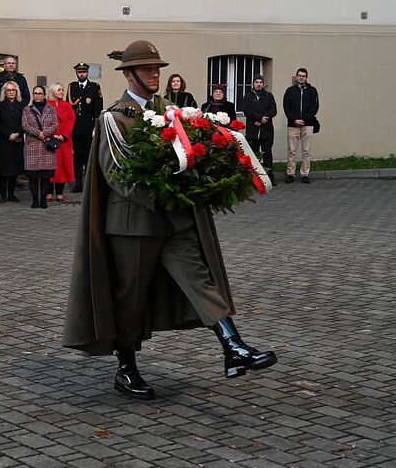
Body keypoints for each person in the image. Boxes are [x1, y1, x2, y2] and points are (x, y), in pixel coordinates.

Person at [63, 40, 276, 400]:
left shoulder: (176, 113)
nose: (154, 75)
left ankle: (234, 348)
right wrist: (163, 190)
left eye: (157, 69)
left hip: (175, 220)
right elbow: (116, 174)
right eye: (147, 69)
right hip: (133, 224)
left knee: (200, 279)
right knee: (131, 298)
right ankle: (126, 370)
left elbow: (193, 155)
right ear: (129, 74)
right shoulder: (114, 119)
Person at [67, 62, 102, 193]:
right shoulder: (72, 87)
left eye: (84, 72)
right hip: (75, 127)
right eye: (79, 72)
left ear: (87, 73)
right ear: (76, 73)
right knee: (77, 157)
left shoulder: (94, 87)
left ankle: (88, 185)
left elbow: (98, 109)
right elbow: (69, 108)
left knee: (88, 156)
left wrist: (95, 127)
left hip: (88, 127)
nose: (81, 74)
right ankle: (78, 183)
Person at [22, 85, 58, 209]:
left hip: (47, 147)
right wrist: (39, 133)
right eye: (35, 93)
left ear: (44, 95)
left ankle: (43, 201)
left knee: (45, 176)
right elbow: (25, 125)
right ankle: (34, 201)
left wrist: (45, 133)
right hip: (32, 146)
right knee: (33, 176)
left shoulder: (51, 109)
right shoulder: (27, 109)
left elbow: (54, 125)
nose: (37, 95)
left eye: (40, 93)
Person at [283, 67, 320, 184]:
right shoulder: (289, 91)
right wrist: (294, 120)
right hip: (293, 125)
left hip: (307, 125)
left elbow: (315, 107)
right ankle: (290, 174)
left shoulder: (312, 91)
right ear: (296, 77)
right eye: (299, 75)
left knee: (306, 151)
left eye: (303, 76)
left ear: (306, 77)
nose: (301, 77)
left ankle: (305, 174)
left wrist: (304, 119)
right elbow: (286, 107)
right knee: (292, 151)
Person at [241, 74, 277, 186]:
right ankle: (254, 179)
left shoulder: (269, 96)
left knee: (267, 156)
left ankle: (270, 177)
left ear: (263, 84)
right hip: (253, 131)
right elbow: (247, 110)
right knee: (254, 156)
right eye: (256, 82)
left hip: (266, 131)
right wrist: (258, 118)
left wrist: (265, 117)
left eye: (260, 82)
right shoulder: (247, 96)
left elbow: (273, 109)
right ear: (253, 84)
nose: (258, 84)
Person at [0, 81, 25, 203]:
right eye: (8, 90)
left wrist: (17, 133)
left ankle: (11, 194)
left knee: (14, 169)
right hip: (3, 140)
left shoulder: (22, 104)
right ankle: (3, 195)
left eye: (13, 90)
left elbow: (25, 122)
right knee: (3, 170)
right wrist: (8, 134)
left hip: (17, 140)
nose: (11, 92)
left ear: (17, 91)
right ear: (4, 92)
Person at [47, 81, 75, 201]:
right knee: (49, 166)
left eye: (62, 90)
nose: (61, 92)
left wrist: (64, 135)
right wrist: (51, 134)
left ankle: (59, 192)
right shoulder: (47, 104)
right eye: (59, 90)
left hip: (64, 141)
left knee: (63, 166)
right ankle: (48, 192)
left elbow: (71, 121)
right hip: (50, 139)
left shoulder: (67, 105)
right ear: (53, 91)